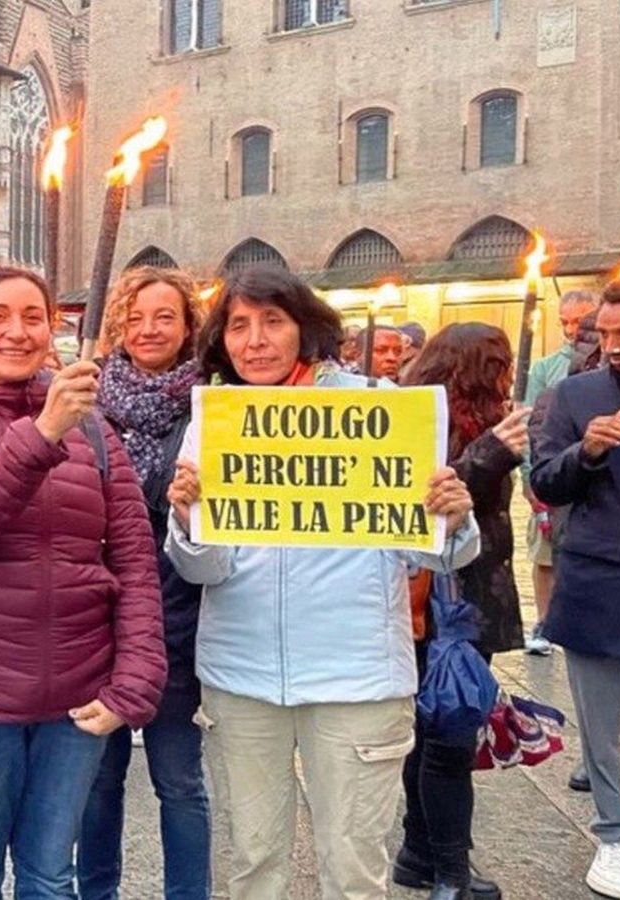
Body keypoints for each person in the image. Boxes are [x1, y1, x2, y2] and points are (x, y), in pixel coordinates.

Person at [164, 268, 478, 900]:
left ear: (304, 328)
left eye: (273, 322)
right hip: (241, 675)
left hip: (356, 680)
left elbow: (436, 557)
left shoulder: (377, 409)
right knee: (254, 862)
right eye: (239, 326)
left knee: (354, 868)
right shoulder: (214, 424)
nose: (255, 341)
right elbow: (204, 570)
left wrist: (452, 518)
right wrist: (185, 522)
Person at [0, 266, 168, 899]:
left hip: (74, 693)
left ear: (53, 330)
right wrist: (44, 431)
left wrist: (135, 679)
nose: (16, 332)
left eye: (33, 317)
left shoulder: (98, 433)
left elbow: (132, 560)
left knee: (51, 875)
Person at [529, 272, 620, 900]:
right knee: (600, 728)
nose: (611, 343)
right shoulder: (577, 393)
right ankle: (616, 835)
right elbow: (545, 481)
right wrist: (584, 452)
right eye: (604, 331)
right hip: (602, 578)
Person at [78, 266, 209, 900]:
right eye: (135, 317)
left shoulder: (214, 407)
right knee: (98, 780)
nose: (149, 329)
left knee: (179, 779)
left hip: (178, 615)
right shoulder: (86, 403)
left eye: (165, 317)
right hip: (99, 620)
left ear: (188, 327)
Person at [397, 324, 528, 900]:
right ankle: (450, 869)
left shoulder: (489, 420)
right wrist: (493, 452)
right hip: (443, 601)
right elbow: (431, 495)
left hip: (471, 596)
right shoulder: (427, 420)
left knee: (434, 732)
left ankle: (417, 851)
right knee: (447, 737)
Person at [521, 289, 599, 656]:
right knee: (545, 553)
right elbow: (529, 430)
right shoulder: (546, 367)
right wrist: (528, 479)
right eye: (564, 322)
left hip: (596, 478)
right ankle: (543, 619)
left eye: (579, 321)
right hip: (554, 469)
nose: (571, 330)